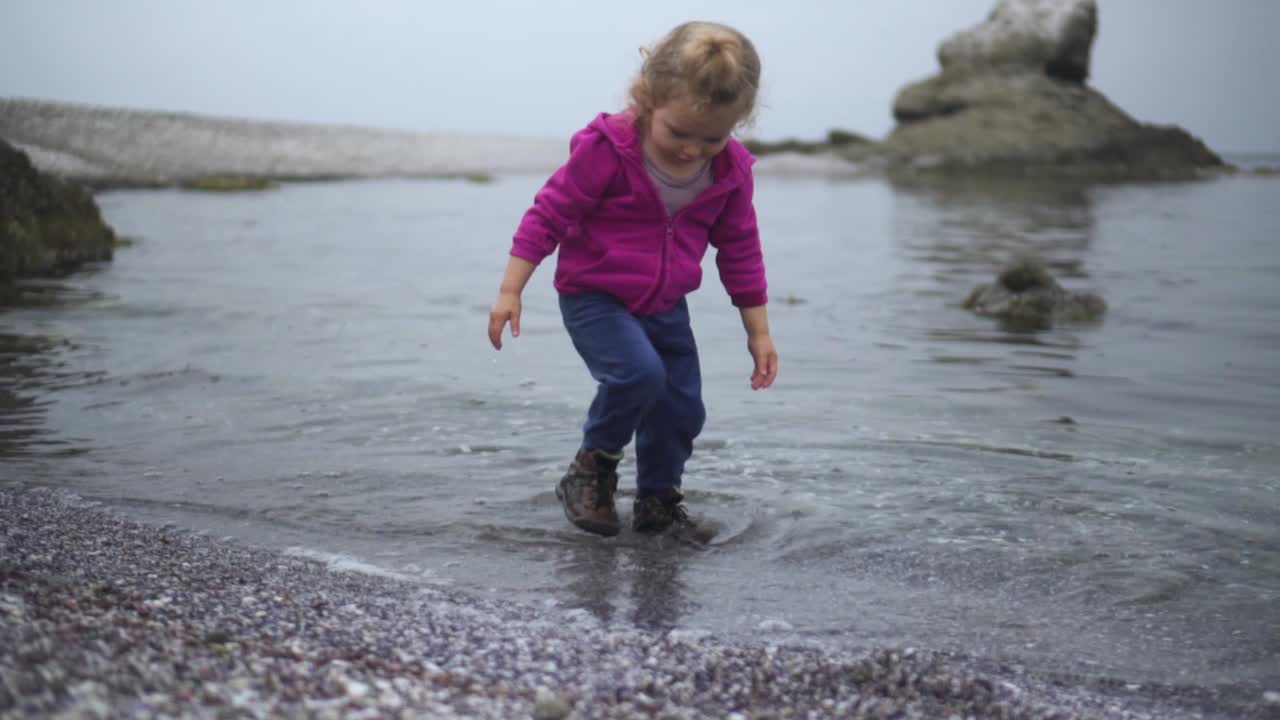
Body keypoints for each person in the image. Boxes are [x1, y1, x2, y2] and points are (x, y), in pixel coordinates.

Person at [487, 21, 778, 538]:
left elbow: (740, 249)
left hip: (666, 305)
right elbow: (548, 215)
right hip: (593, 294)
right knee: (638, 376)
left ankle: (658, 502)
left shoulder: (730, 171)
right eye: (678, 133)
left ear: (738, 122)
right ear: (647, 100)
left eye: (712, 138)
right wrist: (511, 290)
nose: (692, 150)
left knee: (682, 406)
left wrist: (758, 332)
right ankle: (590, 470)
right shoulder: (609, 148)